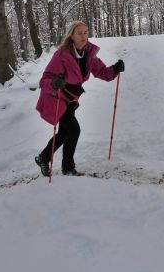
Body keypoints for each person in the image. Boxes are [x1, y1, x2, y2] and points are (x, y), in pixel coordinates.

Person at [35, 21, 124, 176]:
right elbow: (44, 81)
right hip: (55, 98)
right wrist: (54, 83)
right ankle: (68, 168)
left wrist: (115, 69)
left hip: (70, 99)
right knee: (74, 130)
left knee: (65, 132)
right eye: (79, 33)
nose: (84, 36)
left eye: (85, 32)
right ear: (72, 36)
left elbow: (102, 72)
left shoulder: (88, 53)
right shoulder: (61, 55)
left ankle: (43, 157)